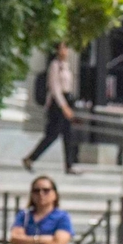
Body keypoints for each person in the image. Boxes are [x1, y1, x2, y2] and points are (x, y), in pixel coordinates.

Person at [23, 43, 80, 175]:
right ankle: (30, 158)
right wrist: (64, 106)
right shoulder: (55, 65)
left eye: (66, 47)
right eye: (62, 48)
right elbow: (55, 88)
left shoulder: (66, 66)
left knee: (68, 135)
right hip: (57, 104)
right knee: (52, 135)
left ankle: (69, 165)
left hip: (67, 100)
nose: (65, 51)